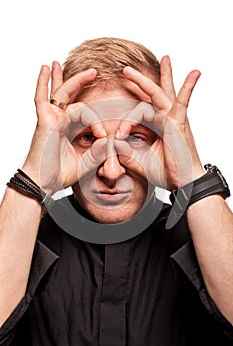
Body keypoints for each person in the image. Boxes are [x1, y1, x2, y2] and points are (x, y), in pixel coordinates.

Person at [0, 37, 232, 346]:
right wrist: (35, 178)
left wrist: (190, 176)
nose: (111, 171)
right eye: (86, 138)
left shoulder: (205, 236)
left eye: (135, 137)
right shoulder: (21, 237)